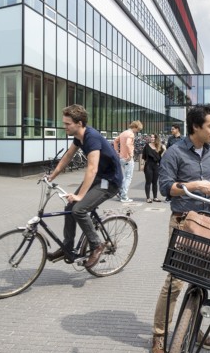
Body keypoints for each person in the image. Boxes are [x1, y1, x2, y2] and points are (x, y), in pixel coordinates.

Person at [151, 105, 210, 353]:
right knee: (175, 282)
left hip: (208, 222)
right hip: (183, 222)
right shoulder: (174, 152)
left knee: (202, 280)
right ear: (196, 127)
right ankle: (159, 336)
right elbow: (164, 188)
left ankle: (192, 330)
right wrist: (192, 186)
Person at [46, 104, 123, 268]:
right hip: (98, 177)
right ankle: (67, 247)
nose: (64, 126)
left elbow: (92, 168)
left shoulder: (92, 137)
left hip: (109, 181)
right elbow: (68, 156)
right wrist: (51, 176)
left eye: (67, 124)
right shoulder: (79, 137)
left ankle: (96, 245)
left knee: (78, 209)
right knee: (70, 207)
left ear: (79, 123)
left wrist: (80, 196)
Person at [113, 120, 143, 203]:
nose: (138, 131)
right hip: (127, 158)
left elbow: (115, 141)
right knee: (128, 177)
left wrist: (116, 152)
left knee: (125, 177)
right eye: (138, 129)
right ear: (135, 127)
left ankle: (121, 193)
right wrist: (131, 155)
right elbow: (128, 143)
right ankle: (124, 196)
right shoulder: (130, 134)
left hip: (121, 157)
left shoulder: (124, 133)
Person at [142, 133, 165, 203]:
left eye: (153, 137)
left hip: (156, 165)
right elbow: (143, 156)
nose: (152, 139)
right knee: (148, 182)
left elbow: (162, 156)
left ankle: (155, 197)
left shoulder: (159, 147)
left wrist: (164, 149)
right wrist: (142, 165)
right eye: (151, 137)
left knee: (155, 182)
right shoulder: (147, 146)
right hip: (148, 165)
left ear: (156, 139)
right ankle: (148, 198)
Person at [164, 124, 183, 202]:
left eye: (173, 129)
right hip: (171, 161)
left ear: (177, 129)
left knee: (180, 179)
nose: (171, 130)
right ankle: (169, 196)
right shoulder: (170, 139)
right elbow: (168, 149)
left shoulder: (183, 139)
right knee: (170, 179)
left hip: (180, 162)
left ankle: (179, 195)